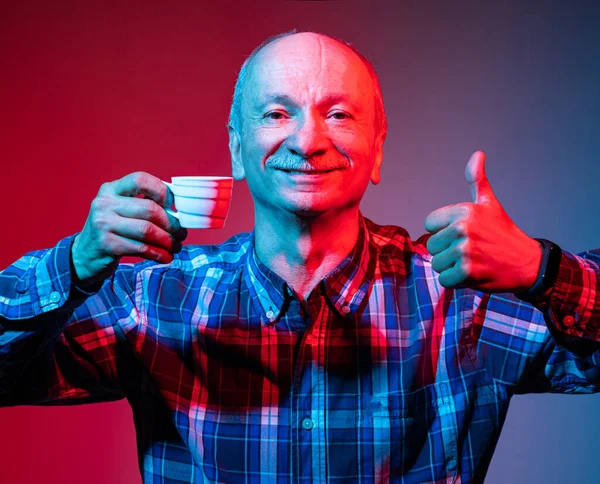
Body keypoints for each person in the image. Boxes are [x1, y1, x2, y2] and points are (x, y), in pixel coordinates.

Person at [0, 30, 598, 484]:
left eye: (338, 114)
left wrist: (543, 271)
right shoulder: (153, 300)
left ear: (378, 149)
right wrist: (74, 264)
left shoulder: (463, 299)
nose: (309, 140)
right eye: (277, 113)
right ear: (237, 147)